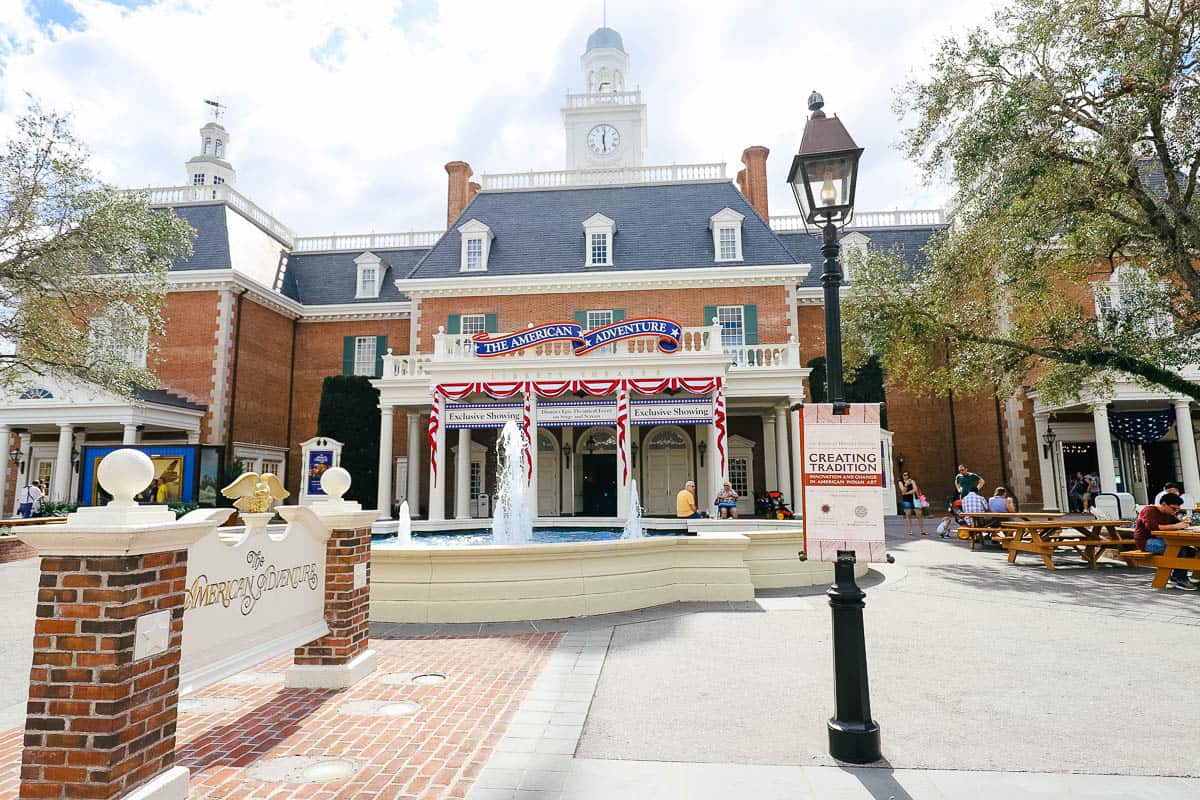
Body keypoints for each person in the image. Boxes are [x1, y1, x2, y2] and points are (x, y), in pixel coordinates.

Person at [1133, 493, 1197, 590]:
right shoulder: (1149, 511)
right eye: (1173, 509)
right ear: (1164, 504)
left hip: (1160, 540)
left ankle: (1177, 576)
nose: (1175, 511)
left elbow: (1177, 523)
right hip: (1145, 542)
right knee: (1180, 551)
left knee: (1191, 551)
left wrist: (1184, 522)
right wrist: (1175, 526)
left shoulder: (1168, 513)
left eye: (1178, 509)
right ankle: (1180, 579)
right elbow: (1151, 527)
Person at [898, 471, 928, 536]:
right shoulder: (900, 482)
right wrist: (906, 485)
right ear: (902, 476)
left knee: (919, 515)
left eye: (907, 475)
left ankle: (922, 530)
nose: (906, 476)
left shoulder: (912, 481)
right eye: (904, 475)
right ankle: (911, 530)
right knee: (908, 515)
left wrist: (907, 493)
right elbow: (902, 490)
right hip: (906, 500)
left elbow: (915, 489)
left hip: (915, 499)